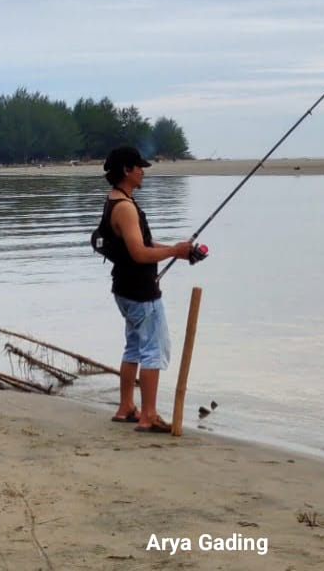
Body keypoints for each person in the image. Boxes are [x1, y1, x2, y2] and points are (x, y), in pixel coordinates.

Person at [95, 146, 193, 433]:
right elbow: (139, 253)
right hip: (139, 292)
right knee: (153, 350)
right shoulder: (125, 207)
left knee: (134, 347)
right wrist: (175, 249)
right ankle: (148, 414)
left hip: (125, 289)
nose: (142, 171)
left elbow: (141, 246)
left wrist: (179, 251)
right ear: (126, 170)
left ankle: (126, 407)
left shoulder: (115, 201)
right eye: (138, 167)